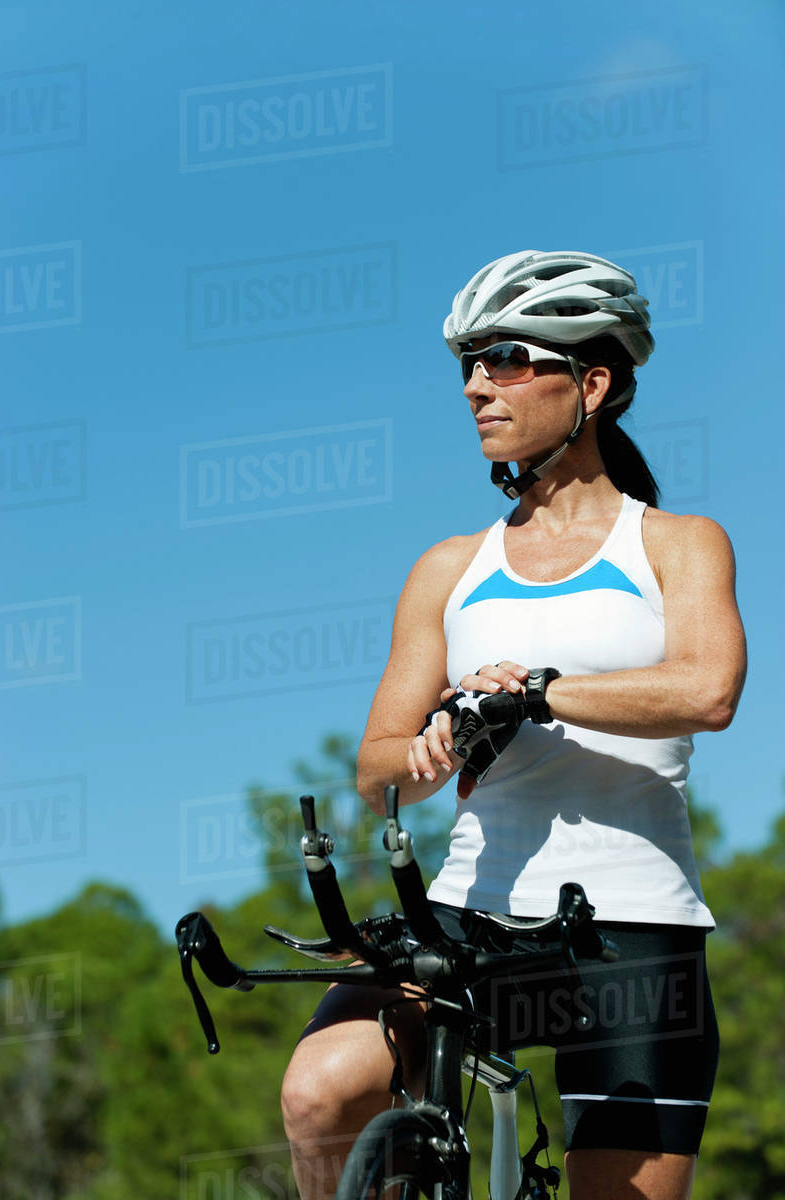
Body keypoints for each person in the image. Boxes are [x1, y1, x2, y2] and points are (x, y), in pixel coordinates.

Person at [281, 250, 747, 1200]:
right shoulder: (449, 566)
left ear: (592, 384)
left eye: (506, 359)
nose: (475, 387)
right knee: (319, 1092)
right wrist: (439, 741)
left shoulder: (676, 544)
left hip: (632, 931)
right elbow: (377, 770)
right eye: (469, 364)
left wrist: (535, 691)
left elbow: (708, 690)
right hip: (470, 915)